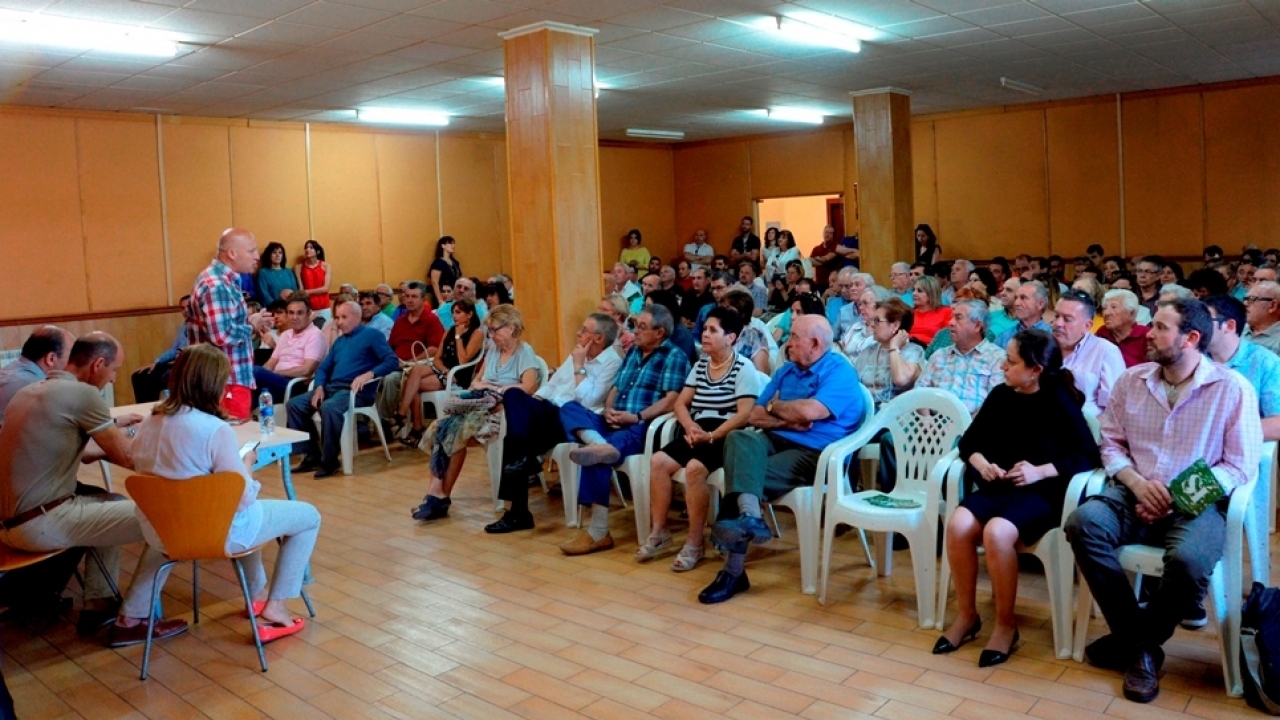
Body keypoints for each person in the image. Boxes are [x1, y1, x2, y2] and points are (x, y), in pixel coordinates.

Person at [1065, 298, 1260, 704]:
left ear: (1191, 338)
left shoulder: (1230, 388)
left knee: (1189, 559)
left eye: (1160, 328)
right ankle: (1141, 646)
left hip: (1196, 501)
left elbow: (1239, 466)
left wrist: (1177, 496)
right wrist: (1136, 483)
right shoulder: (1132, 380)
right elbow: (1111, 443)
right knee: (1083, 523)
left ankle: (1136, 644)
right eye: (1151, 325)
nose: (1149, 335)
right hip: (1133, 491)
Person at [0, 333, 189, 646]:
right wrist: (178, 451)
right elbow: (128, 458)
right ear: (98, 364)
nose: (113, 379)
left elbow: (86, 452)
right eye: (114, 370)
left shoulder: (32, 390)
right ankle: (133, 620)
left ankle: (99, 606)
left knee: (110, 500)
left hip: (9, 524)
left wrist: (119, 433)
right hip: (41, 523)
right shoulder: (83, 395)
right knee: (166, 519)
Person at [131, 344, 321, 643]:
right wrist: (247, 465)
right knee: (307, 516)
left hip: (164, 530)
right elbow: (242, 498)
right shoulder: (214, 430)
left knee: (249, 518)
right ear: (214, 384)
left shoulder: (148, 424)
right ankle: (275, 607)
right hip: (217, 532)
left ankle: (255, 596)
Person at [935, 329, 1099, 667]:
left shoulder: (1058, 400)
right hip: (1001, 488)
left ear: (1035, 369)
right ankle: (967, 615)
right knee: (958, 524)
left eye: (1010, 362)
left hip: (1042, 494)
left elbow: (1088, 456)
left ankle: (1006, 625)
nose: (1002, 367)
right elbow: (969, 442)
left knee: (997, 532)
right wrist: (981, 462)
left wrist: (1040, 471)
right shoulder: (1001, 395)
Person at [699, 315, 865, 604]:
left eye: (795, 337)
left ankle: (733, 571)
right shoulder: (787, 371)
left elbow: (809, 412)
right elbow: (754, 415)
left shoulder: (839, 371)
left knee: (741, 476)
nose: (788, 343)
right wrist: (784, 418)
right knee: (739, 438)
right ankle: (751, 515)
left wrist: (775, 406)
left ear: (815, 344)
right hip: (776, 440)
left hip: (816, 454)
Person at [557, 305, 689, 555]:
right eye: (635, 325)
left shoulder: (674, 357)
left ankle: (598, 532)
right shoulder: (633, 353)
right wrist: (608, 409)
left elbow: (672, 400)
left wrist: (637, 416)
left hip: (642, 425)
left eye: (642, 327)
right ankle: (598, 443)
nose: (634, 331)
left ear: (659, 332)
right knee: (570, 408)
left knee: (596, 455)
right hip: (613, 420)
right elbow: (616, 388)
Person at [640, 307, 763, 572]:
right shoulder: (700, 366)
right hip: (697, 429)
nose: (704, 334)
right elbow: (680, 403)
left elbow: (744, 414)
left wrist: (712, 435)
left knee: (695, 469)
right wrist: (690, 426)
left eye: (712, 330)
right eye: (705, 329)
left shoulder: (743, 367)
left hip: (727, 434)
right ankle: (659, 531)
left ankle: (695, 543)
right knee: (659, 461)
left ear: (730, 337)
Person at [486, 313, 622, 534]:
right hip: (548, 412)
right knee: (513, 396)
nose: (578, 333)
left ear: (598, 338)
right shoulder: (579, 351)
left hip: (572, 419)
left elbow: (588, 401)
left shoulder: (611, 362)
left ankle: (518, 512)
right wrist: (534, 402)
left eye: (584, 330)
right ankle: (527, 460)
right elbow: (552, 386)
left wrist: (579, 366)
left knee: (514, 441)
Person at [413, 305, 541, 521]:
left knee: (455, 430)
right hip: (480, 406)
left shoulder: (524, 352)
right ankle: (436, 493)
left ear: (510, 328)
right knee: (440, 427)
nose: (490, 335)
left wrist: (494, 388)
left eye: (494, 330)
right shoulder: (493, 351)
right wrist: (483, 387)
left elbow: (529, 387)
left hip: (503, 413)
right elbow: (476, 381)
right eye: (489, 330)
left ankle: (439, 496)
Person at [287, 301, 399, 478]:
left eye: (344, 317)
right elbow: (323, 368)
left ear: (357, 317)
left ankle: (330, 461)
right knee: (295, 404)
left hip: (356, 391)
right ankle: (311, 455)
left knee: (329, 407)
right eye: (337, 318)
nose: (339, 322)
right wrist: (319, 388)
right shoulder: (339, 342)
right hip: (332, 389)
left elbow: (392, 361)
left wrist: (369, 374)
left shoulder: (373, 335)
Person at [190, 228, 265, 421]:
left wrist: (250, 322)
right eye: (251, 251)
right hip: (226, 381)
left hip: (222, 379)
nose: (257, 256)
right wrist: (251, 327)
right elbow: (221, 335)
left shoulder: (219, 279)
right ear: (232, 253)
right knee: (234, 437)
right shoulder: (218, 285)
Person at [394, 298, 484, 447]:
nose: (454, 316)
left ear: (469, 314)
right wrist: (444, 371)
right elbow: (437, 358)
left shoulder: (477, 333)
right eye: (453, 312)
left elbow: (463, 360)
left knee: (412, 385)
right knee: (415, 371)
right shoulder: (449, 331)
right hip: (444, 371)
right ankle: (404, 416)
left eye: (458, 312)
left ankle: (413, 426)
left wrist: (458, 337)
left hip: (458, 376)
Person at [1203, 295, 1280, 442]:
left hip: (1242, 447)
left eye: (1204, 320)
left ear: (1229, 326)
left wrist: (1219, 433)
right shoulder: (1193, 357)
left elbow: (1277, 423)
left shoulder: (1266, 362)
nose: (1196, 327)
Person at [917, 299, 1007, 416]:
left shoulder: (997, 358)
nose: (951, 322)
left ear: (977, 325)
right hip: (933, 422)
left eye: (958, 318)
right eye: (952, 317)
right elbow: (920, 390)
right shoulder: (940, 355)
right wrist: (927, 419)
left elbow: (995, 403)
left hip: (974, 423)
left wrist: (965, 424)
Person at [1052, 291, 1125, 417]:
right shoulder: (1041, 345)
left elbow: (1113, 408)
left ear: (1087, 325)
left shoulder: (1106, 351)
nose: (1058, 323)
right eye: (1056, 316)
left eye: (1067, 319)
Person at [252, 295, 326, 404]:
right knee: (248, 393)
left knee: (255, 371)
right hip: (277, 383)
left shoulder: (315, 335)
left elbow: (307, 370)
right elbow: (271, 363)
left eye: (299, 313)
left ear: (309, 313)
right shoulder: (285, 335)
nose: (294, 317)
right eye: (291, 313)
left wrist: (275, 373)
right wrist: (265, 375)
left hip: (296, 385)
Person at [853, 298, 922, 407]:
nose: (872, 325)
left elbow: (901, 379)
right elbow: (854, 382)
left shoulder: (913, 351)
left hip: (896, 413)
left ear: (895, 325)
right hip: (864, 409)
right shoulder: (868, 350)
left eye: (877, 320)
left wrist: (894, 347)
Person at [0, 326, 73, 423]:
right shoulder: (35, 388)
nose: (75, 365)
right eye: (72, 358)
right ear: (51, 359)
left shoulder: (10, 371)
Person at [1096, 289, 1150, 368]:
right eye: (1105, 308)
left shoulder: (1146, 335)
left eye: (1114, 307)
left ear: (1131, 313)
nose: (1106, 313)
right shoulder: (1102, 333)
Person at [994, 280, 1050, 349]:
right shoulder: (1005, 336)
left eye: (1023, 298)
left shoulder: (1052, 337)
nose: (1016, 303)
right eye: (1016, 298)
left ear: (1040, 304)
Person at [294, 239, 332, 324]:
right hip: (309, 307)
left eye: (311, 247)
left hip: (324, 306)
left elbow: (325, 288)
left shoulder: (326, 266)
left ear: (317, 251)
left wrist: (307, 292)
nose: (307, 249)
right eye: (306, 248)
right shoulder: (299, 267)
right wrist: (304, 293)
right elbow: (301, 289)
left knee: (326, 328)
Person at [909, 276, 952, 345]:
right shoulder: (909, 313)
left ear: (931, 294)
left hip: (933, 349)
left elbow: (946, 339)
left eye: (919, 291)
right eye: (913, 290)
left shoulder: (946, 312)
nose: (914, 293)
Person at [1244, 280, 1280, 354]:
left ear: (1272, 306)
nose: (1245, 303)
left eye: (1251, 299)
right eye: (1245, 299)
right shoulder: (1238, 328)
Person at [428, 235, 462, 309]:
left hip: (453, 296)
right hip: (442, 295)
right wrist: (440, 300)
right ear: (443, 246)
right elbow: (434, 282)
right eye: (450, 243)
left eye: (453, 243)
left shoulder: (455, 262)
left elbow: (458, 280)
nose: (453, 245)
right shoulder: (438, 263)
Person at [808, 225, 841, 289]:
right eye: (826, 232)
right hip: (819, 283)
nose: (827, 235)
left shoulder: (836, 247)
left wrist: (817, 258)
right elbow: (811, 262)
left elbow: (826, 259)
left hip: (832, 283)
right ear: (823, 234)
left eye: (830, 233)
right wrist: (825, 261)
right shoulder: (816, 249)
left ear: (833, 236)